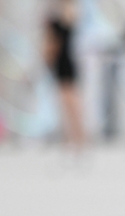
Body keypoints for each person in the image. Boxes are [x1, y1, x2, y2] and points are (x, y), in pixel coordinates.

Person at [44, 0, 85, 149]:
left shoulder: (63, 16)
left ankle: (78, 137)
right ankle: (72, 137)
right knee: (67, 103)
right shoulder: (58, 15)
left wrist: (47, 59)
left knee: (71, 103)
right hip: (62, 62)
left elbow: (51, 46)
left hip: (65, 62)